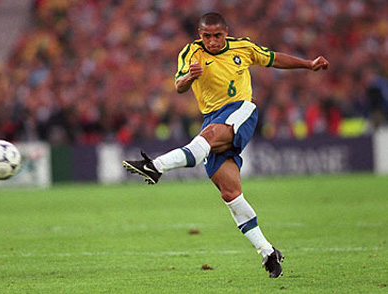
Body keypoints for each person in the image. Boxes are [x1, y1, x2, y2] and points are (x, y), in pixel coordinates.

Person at [123, 12, 329, 278]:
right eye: (206, 36)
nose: (212, 41)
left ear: (226, 32)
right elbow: (178, 85)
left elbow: (274, 58)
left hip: (241, 110)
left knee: (205, 141)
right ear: (200, 35)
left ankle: (155, 166)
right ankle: (268, 252)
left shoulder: (243, 47)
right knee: (231, 195)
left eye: (217, 35)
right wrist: (189, 78)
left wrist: (308, 64)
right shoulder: (190, 53)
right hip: (211, 119)